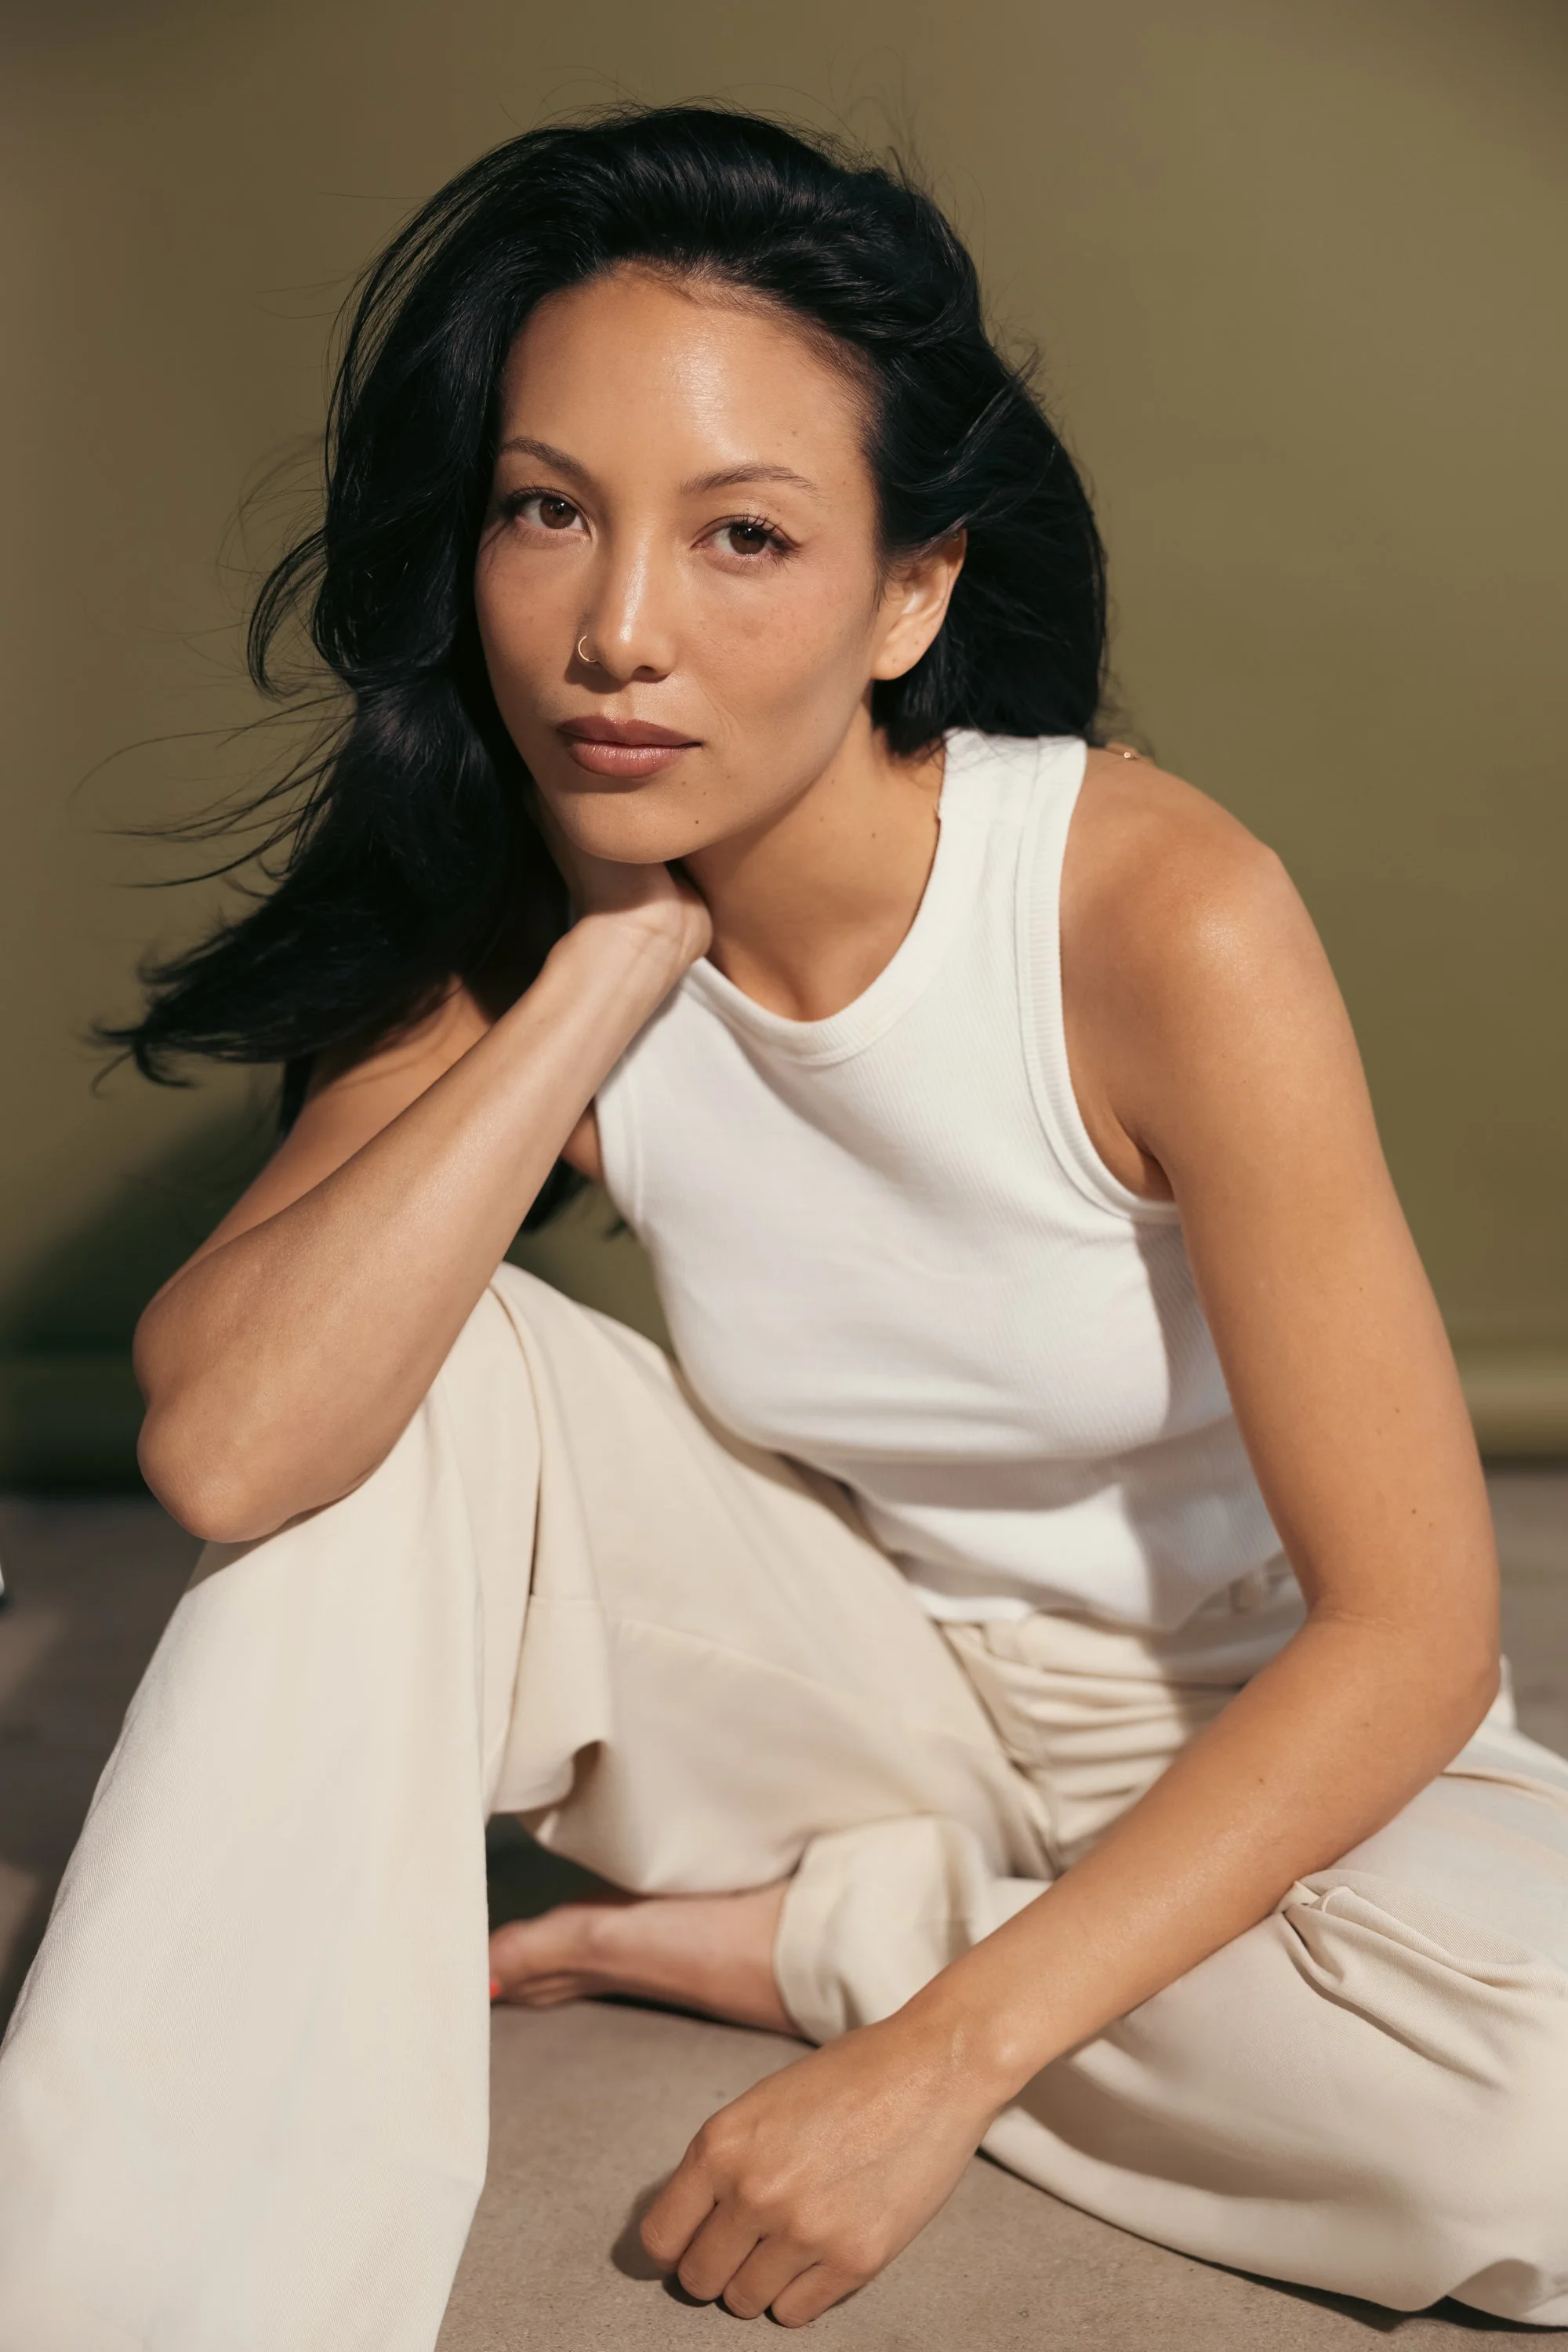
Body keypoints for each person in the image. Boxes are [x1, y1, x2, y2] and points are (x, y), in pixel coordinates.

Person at [1, 103, 1564, 2352]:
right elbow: (235, 1445)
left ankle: (847, 1935)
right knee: (394, 1386)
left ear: (907, 592)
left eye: (742, 537)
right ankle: (142, 2311)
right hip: (848, 1676)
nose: (618, 632)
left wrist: (919, 2056)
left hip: (1246, 1714)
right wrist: (611, 973)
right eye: (549, 513)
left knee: (1537, 2118)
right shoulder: (531, 936)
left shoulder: (1154, 913)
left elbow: (1410, 1639)